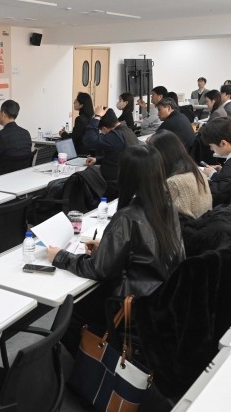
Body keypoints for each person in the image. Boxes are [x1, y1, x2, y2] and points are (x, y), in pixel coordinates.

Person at [46, 144, 184, 352]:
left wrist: (60, 256)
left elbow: (98, 270)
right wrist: (109, 247)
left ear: (127, 176)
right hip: (158, 297)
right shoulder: (167, 207)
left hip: (128, 302)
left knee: (71, 309)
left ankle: (70, 367)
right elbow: (148, 249)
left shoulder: (127, 216)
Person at [148, 131, 211, 219]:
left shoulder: (173, 182)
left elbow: (160, 214)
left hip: (187, 229)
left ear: (161, 155)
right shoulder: (196, 171)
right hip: (203, 223)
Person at [83, 106, 139, 200]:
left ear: (104, 129)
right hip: (125, 181)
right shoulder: (127, 131)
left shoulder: (116, 136)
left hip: (112, 185)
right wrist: (97, 159)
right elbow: (118, 154)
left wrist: (97, 117)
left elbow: (89, 140)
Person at [0, 99, 32, 175]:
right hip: (22, 177)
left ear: (3, 114)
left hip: (1, 178)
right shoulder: (26, 133)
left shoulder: (1, 136)